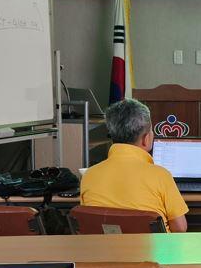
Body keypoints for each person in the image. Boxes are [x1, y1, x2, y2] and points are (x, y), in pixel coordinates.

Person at [80, 97, 188, 231]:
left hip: (105, 250)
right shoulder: (160, 176)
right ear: (146, 139)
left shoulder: (89, 176)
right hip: (152, 251)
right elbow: (180, 228)